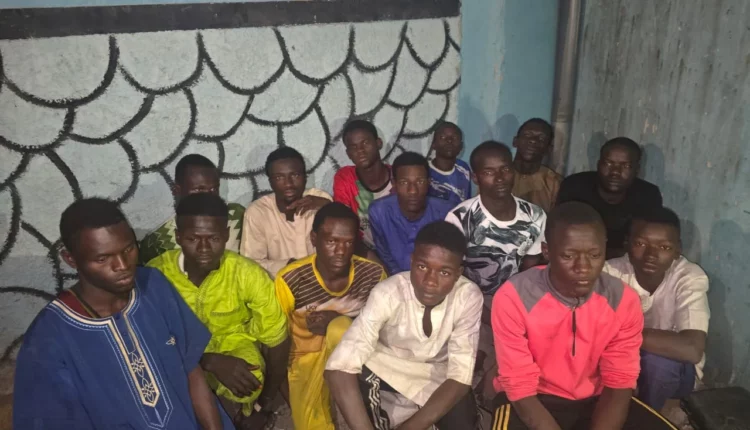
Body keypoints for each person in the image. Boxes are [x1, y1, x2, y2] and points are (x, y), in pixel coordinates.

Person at [13, 198, 233, 430]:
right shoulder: (50, 337)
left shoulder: (153, 285)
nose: (122, 266)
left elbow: (191, 369)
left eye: (128, 249)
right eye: (102, 258)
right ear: (70, 259)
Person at [491, 202, 677, 430]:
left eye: (594, 255)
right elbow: (519, 385)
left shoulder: (622, 299)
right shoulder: (514, 297)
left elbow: (620, 378)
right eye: (568, 256)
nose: (583, 268)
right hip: (534, 399)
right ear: (547, 251)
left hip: (598, 399)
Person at [148, 193, 289, 429]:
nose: (204, 248)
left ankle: (240, 409)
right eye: (193, 238)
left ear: (225, 235)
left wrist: (262, 405)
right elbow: (149, 340)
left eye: (213, 238)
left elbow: (277, 340)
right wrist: (207, 361)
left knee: (251, 379)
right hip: (177, 353)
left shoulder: (246, 273)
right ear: (178, 236)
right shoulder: (157, 275)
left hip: (232, 342)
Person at [326, 221, 483, 430]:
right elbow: (339, 368)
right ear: (412, 261)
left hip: (436, 373)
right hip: (388, 366)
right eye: (422, 267)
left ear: (458, 273)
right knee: (358, 376)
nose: (430, 281)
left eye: (444, 272)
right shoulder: (388, 293)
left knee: (463, 418)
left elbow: (460, 375)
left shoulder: (468, 296)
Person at [275, 202, 386, 430]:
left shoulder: (373, 274)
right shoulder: (291, 279)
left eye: (348, 242)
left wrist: (337, 319)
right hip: (307, 356)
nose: (341, 251)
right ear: (314, 239)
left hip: (360, 356)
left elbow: (387, 326)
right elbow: (278, 337)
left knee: (339, 327)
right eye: (332, 241)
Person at [603, 206, 709, 411]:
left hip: (674, 370)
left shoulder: (689, 277)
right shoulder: (609, 273)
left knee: (656, 364)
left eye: (664, 247)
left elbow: (692, 349)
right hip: (619, 358)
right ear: (626, 243)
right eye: (641, 244)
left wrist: (621, 334)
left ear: (678, 250)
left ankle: (645, 416)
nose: (651, 255)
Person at [557, 137, 662, 259]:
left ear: (637, 169)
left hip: (626, 263)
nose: (615, 172)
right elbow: (560, 234)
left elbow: (647, 242)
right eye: (608, 163)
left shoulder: (648, 195)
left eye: (626, 166)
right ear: (598, 164)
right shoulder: (574, 186)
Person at [241, 147, 331, 277]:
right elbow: (250, 264)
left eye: (295, 175)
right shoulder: (258, 212)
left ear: (305, 177)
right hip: (277, 284)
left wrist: (329, 207)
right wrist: (289, 265)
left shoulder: (320, 200)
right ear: (270, 182)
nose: (289, 184)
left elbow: (341, 244)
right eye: (279, 177)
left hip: (323, 282)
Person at [140, 154, 245, 263]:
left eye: (214, 189)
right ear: (177, 190)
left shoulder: (237, 216)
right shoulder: (159, 241)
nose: (209, 196)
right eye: (199, 190)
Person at [369, 151, 454, 275]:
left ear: (429, 182)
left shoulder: (446, 212)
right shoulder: (379, 211)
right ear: (394, 183)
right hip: (394, 278)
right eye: (404, 182)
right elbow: (385, 256)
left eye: (419, 182)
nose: (413, 190)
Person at [334, 119, 392, 250]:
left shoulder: (399, 178)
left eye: (365, 143)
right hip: (364, 252)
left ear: (378, 143)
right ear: (348, 154)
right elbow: (343, 221)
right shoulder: (345, 178)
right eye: (353, 147)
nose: (360, 150)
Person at [511, 118, 562, 213]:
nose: (533, 141)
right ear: (515, 141)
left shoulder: (555, 184)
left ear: (548, 149)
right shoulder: (498, 175)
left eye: (541, 138)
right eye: (527, 135)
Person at [428, 121, 471, 206]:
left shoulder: (464, 168)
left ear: (461, 146)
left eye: (454, 137)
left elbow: (467, 202)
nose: (449, 141)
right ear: (433, 144)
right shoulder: (425, 172)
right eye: (443, 137)